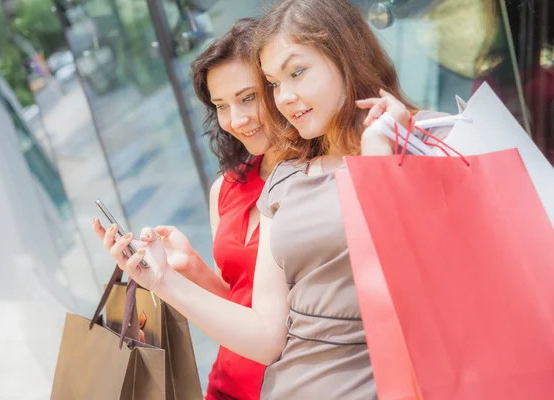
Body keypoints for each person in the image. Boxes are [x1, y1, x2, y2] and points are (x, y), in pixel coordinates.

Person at [96, 1, 452, 398]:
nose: (284, 97)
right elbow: (267, 333)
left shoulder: (431, 141)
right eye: (276, 83)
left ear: (345, 57)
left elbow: (409, 276)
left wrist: (379, 150)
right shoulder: (283, 182)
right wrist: (160, 278)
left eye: (296, 73)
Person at [93, 18, 274, 400]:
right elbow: (240, 306)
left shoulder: (312, 181)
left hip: (291, 385)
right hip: (228, 384)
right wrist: (191, 266)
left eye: (248, 97)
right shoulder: (226, 189)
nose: (236, 120)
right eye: (222, 105)